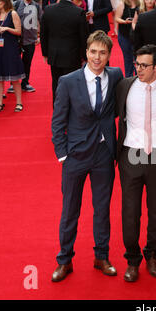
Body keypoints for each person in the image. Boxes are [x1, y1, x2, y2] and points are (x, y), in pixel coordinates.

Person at [51, 30, 123, 282]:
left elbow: (140, 82)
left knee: (102, 209)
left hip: (104, 154)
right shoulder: (69, 81)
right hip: (76, 156)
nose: (97, 57)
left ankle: (101, 256)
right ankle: (64, 259)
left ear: (109, 56)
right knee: (70, 209)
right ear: (86, 52)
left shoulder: (115, 76)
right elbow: (58, 121)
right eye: (93, 51)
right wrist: (62, 155)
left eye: (102, 53)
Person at [115, 44, 156, 282]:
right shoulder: (124, 86)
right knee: (130, 212)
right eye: (137, 64)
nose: (138, 69)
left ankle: (152, 254)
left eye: (144, 65)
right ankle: (132, 259)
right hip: (130, 155)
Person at [40, 0, 88, 102]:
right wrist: (85, 56)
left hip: (54, 55)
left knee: (56, 85)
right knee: (73, 86)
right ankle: (72, 113)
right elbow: (84, 37)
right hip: (72, 56)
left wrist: (45, 53)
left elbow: (43, 33)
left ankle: (57, 112)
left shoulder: (48, 10)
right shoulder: (78, 12)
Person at [0, 0, 25, 113]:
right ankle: (0, 104)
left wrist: (7, 29)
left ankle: (19, 102)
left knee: (14, 76)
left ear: (5, 2)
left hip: (10, 48)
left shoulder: (12, 13)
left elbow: (19, 31)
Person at [6, 0, 42, 93]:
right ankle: (13, 83)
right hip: (16, 39)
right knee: (14, 62)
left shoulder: (36, 6)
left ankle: (25, 83)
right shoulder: (16, 4)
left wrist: (39, 36)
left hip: (30, 40)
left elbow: (41, 20)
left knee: (27, 62)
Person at [115, 0, 139, 77]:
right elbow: (117, 18)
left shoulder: (140, 4)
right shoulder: (122, 4)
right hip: (124, 35)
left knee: (137, 57)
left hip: (137, 36)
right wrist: (125, 22)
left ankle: (138, 76)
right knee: (127, 58)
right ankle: (129, 78)